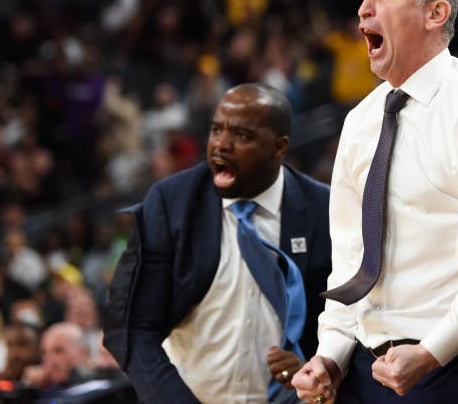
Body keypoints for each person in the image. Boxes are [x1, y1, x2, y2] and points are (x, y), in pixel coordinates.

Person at [291, 0, 458, 404]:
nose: (364, 9)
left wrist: (432, 352)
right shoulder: (360, 121)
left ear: (435, 14)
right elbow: (350, 261)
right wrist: (331, 355)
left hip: (451, 364)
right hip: (362, 368)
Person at [103, 83, 332, 403]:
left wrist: (317, 366)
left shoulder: (324, 209)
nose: (221, 144)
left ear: (279, 147)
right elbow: (129, 326)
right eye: (216, 130)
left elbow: (348, 320)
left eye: (242, 135)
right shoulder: (171, 203)